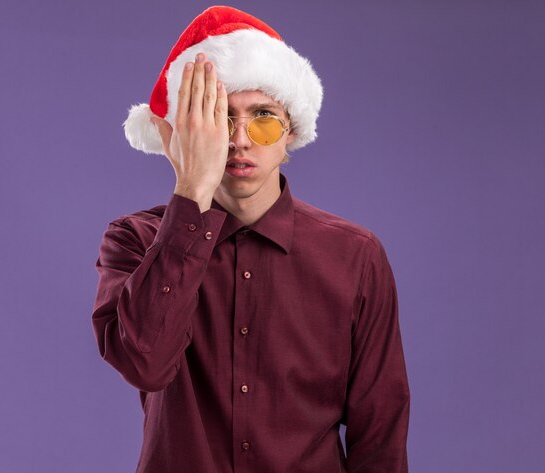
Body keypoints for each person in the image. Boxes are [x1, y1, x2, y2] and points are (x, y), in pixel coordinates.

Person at [92, 5, 410, 472]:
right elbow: (145, 364)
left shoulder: (356, 257)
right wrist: (191, 191)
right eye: (219, 117)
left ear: (291, 134)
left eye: (263, 116)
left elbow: (380, 435)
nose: (239, 139)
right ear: (187, 132)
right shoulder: (134, 240)